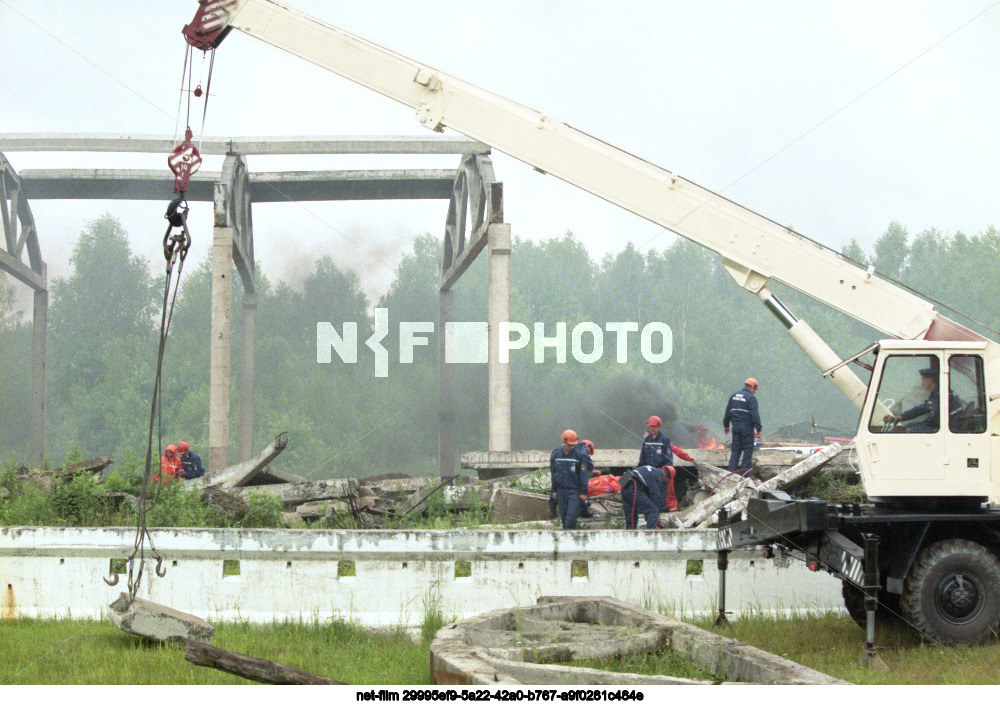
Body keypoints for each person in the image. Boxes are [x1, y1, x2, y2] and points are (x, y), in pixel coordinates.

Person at [883, 368, 955, 433]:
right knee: (908, 426)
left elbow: (936, 423)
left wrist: (914, 429)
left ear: (930, 379)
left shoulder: (941, 396)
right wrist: (900, 417)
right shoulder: (935, 395)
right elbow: (921, 409)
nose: (922, 383)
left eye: (923, 379)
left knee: (910, 429)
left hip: (949, 430)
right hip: (939, 427)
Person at [549, 429, 590, 529]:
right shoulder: (556, 454)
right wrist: (554, 490)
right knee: (564, 518)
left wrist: (583, 492)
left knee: (571, 518)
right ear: (564, 442)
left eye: (573, 445)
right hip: (561, 491)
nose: (572, 447)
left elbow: (583, 474)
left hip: (574, 491)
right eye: (570, 445)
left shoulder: (579, 455)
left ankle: (568, 539)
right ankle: (568, 539)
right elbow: (554, 473)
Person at [723, 378, 762, 474]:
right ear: (752, 387)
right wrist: (758, 429)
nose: (754, 392)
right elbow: (755, 415)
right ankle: (744, 477)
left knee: (735, 451)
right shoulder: (751, 398)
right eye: (755, 390)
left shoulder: (733, 396)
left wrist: (726, 425)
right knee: (747, 452)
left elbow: (728, 412)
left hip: (735, 427)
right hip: (747, 428)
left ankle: (731, 474)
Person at [620, 465, 671, 529]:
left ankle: (631, 534)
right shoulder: (658, 476)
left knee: (631, 515)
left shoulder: (652, 469)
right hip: (633, 484)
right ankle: (651, 534)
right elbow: (655, 497)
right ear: (667, 477)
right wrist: (657, 515)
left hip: (625, 479)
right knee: (653, 510)